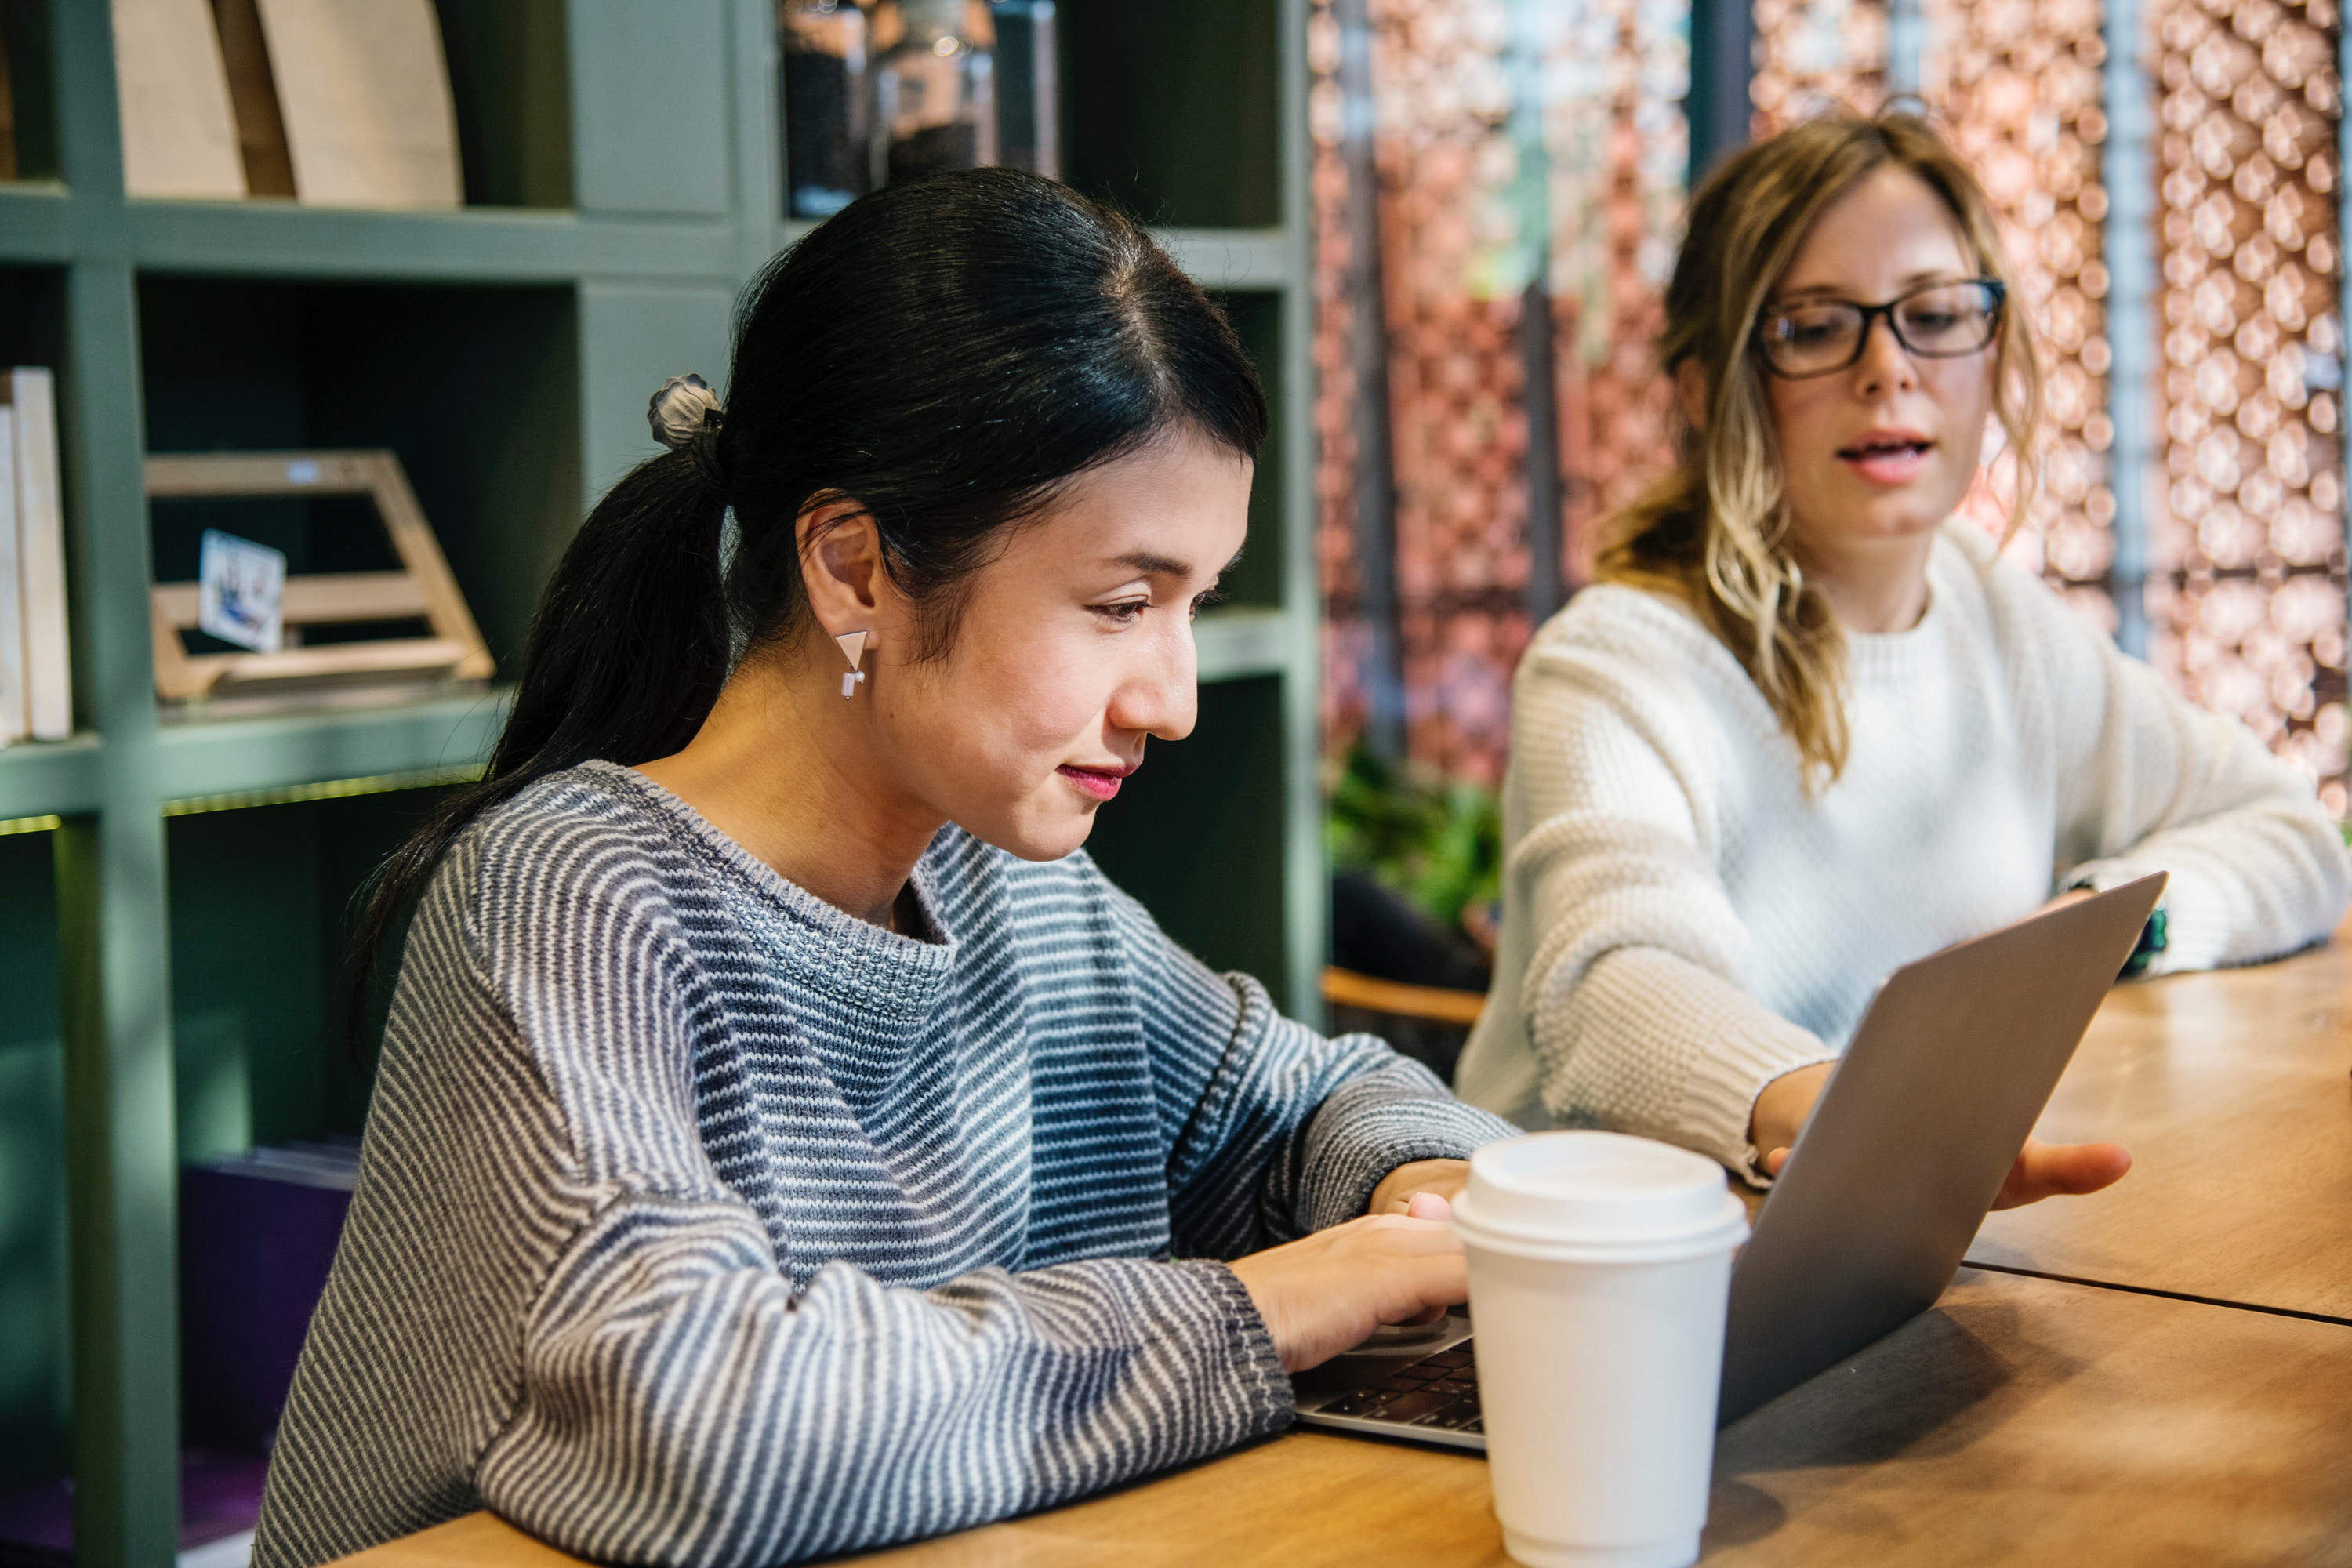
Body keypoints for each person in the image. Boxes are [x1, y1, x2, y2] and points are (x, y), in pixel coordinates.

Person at [254, 171, 1513, 1568]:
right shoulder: (568, 897)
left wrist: (1420, 1196)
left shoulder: (1006, 882)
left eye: (1194, 605)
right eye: (1120, 605)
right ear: (854, 567)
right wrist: (1267, 1310)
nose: (1175, 697)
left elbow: (1311, 1105)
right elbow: (707, 1427)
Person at [1454, 111, 2350, 1189]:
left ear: (1990, 352)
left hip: (1897, 1243)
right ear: (1708, 388)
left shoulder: (1997, 620)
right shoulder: (1615, 664)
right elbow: (1614, 986)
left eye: (1933, 315)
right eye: (1817, 326)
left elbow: (2293, 838)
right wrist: (1852, 1121)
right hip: (1602, 1290)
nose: (1888, 369)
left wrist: (2099, 929)